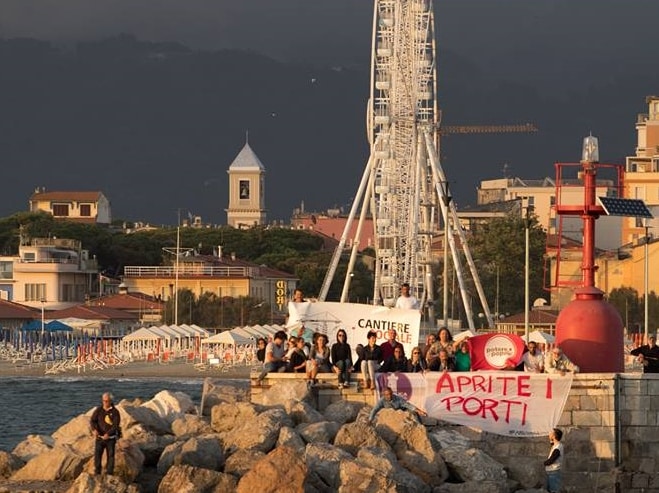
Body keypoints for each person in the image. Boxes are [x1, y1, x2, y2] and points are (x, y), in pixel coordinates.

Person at [90, 392, 121, 476]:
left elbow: (115, 425)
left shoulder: (115, 412)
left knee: (110, 456)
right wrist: (94, 430)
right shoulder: (98, 410)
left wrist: (108, 434)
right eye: (103, 401)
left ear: (111, 401)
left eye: (107, 401)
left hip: (110, 438)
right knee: (97, 456)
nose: (105, 403)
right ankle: (97, 473)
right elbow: (92, 420)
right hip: (99, 438)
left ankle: (109, 474)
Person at [544, 428, 564, 493]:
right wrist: (551, 440)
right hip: (551, 472)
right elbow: (552, 444)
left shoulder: (557, 448)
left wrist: (545, 463)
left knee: (554, 491)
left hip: (554, 472)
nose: (549, 434)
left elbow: (551, 460)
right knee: (550, 490)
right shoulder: (556, 445)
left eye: (551, 433)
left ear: (554, 436)